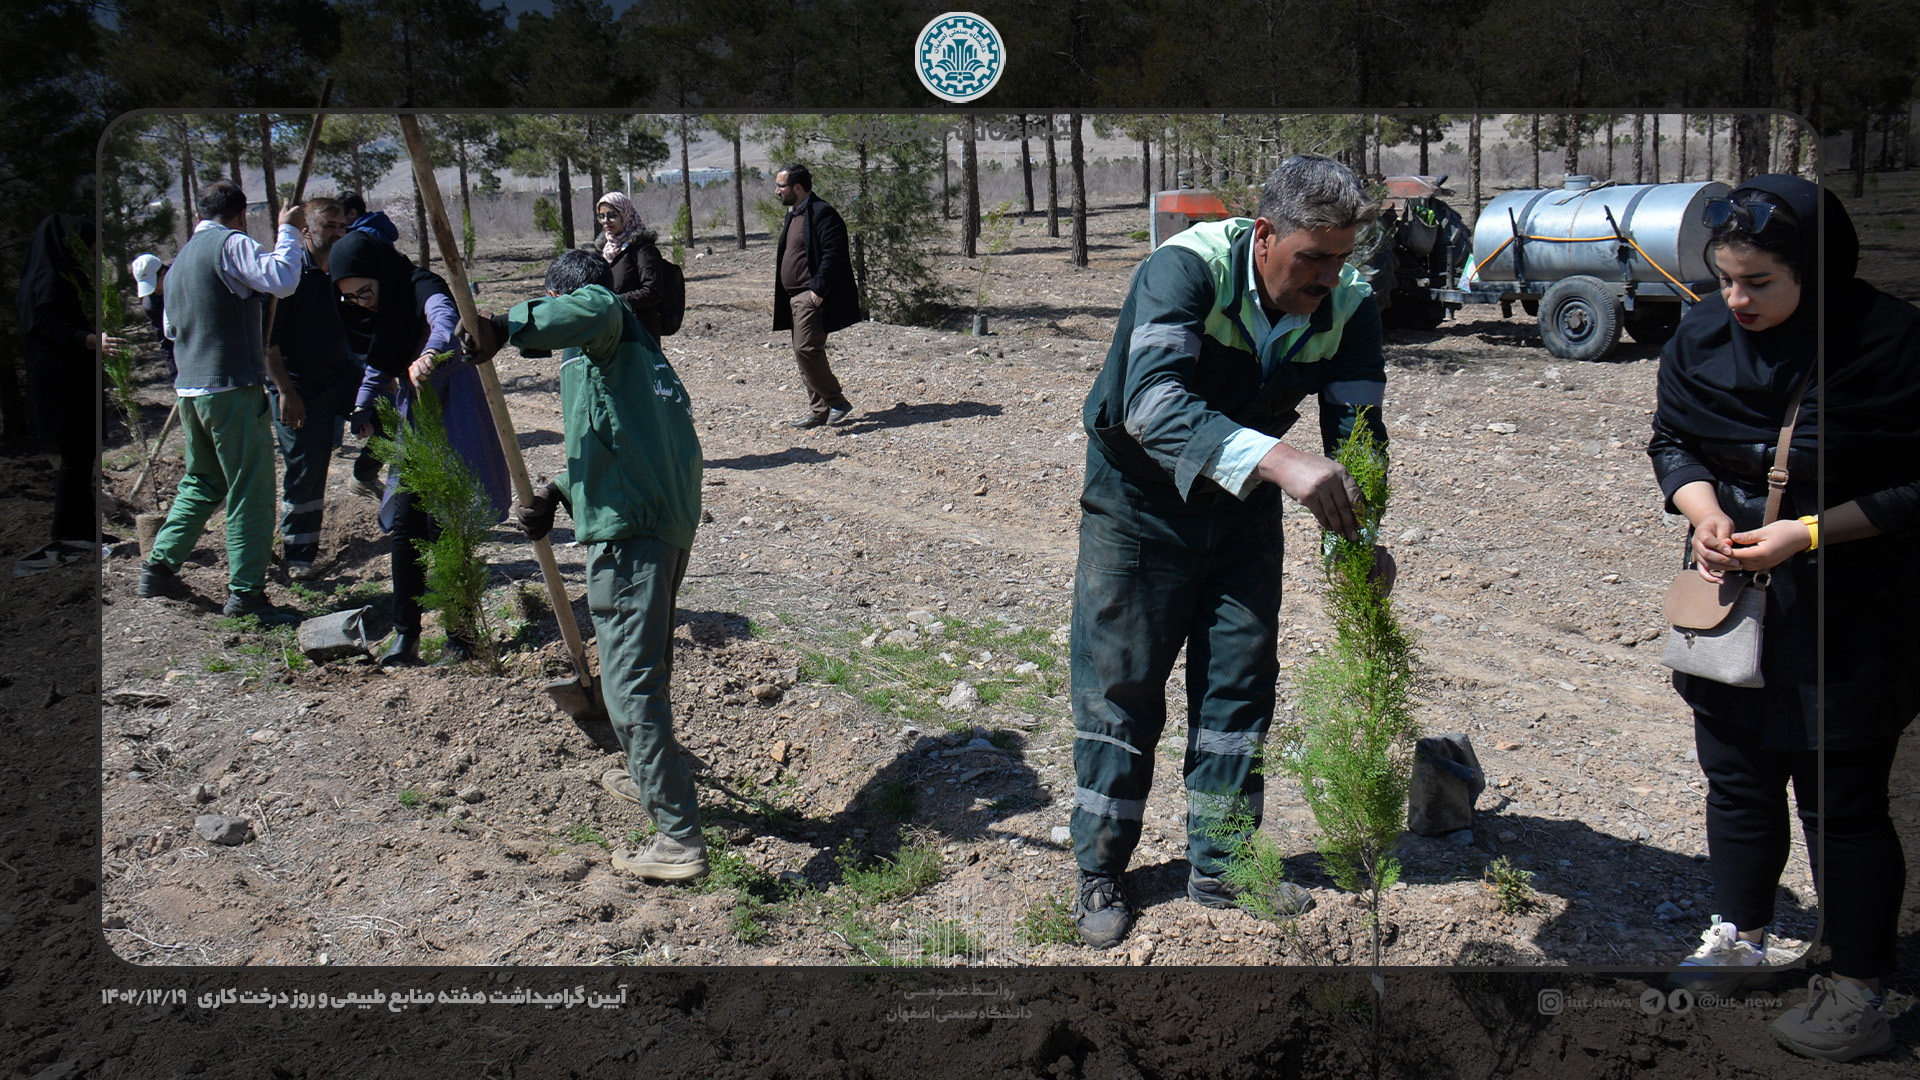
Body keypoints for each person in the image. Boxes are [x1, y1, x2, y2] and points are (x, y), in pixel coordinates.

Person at [1067, 154, 1396, 950]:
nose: (1327, 277)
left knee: (1239, 688)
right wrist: (1282, 460)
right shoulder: (1184, 271)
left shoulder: (1349, 305)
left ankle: (1224, 865)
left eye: (1341, 258)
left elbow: (1356, 437)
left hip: (1243, 509)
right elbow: (1153, 404)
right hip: (1139, 505)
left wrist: (1359, 541)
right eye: (1312, 257)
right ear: (1264, 234)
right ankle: (1101, 868)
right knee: (1122, 687)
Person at [1649, 174, 1918, 1062]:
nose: (1736, 300)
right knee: (1736, 777)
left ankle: (1859, 988)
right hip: (1733, 598)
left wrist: (1806, 532)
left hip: (1852, 608)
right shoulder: (1701, 337)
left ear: (1819, 269)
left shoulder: (1888, 346)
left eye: (1758, 281)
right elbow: (1672, 440)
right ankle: (1741, 937)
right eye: (1725, 278)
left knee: (1841, 802)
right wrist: (1702, 512)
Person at [463, 248, 707, 881]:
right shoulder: (640, 361)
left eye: (554, 309)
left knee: (628, 687)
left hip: (631, 537)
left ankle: (678, 838)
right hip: (662, 525)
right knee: (646, 670)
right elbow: (620, 444)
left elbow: (594, 303)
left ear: (563, 303)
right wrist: (557, 493)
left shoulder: (603, 317)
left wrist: (505, 325)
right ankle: (648, 780)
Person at [331, 230, 511, 666]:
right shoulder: (386, 309)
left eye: (365, 292)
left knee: (444, 525)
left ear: (380, 273)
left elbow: (445, 319)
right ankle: (405, 636)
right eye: (350, 298)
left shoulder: (419, 286)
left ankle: (462, 637)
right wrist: (362, 405)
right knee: (406, 527)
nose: (361, 303)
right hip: (416, 424)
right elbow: (381, 360)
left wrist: (430, 353)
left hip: (454, 415)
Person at [138, 182, 303, 621]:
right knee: (249, 488)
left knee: (203, 481)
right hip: (231, 388)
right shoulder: (231, 244)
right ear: (242, 215)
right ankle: (246, 595)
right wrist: (289, 231)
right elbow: (282, 280)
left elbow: (171, 329)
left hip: (191, 391)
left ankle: (158, 568)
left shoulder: (178, 264)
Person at [13, 215, 126, 577]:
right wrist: (91, 340)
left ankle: (84, 530)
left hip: (73, 380)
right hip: (62, 384)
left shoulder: (58, 276)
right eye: (89, 248)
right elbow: (51, 324)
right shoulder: (50, 278)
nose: (92, 255)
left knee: (81, 458)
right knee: (75, 459)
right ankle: (67, 533)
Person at [264, 195, 359, 581]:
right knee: (307, 469)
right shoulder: (286, 279)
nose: (338, 233)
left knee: (396, 413)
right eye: (329, 226)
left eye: (342, 227)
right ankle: (299, 554)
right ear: (305, 230)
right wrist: (287, 392)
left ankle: (365, 476)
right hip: (299, 388)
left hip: (341, 375)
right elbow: (268, 345)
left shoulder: (341, 270)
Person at [771, 163, 860, 428]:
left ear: (797, 187)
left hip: (810, 297)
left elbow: (834, 253)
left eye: (781, 186)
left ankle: (837, 401)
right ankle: (819, 409)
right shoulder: (793, 214)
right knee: (802, 355)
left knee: (807, 350)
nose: (777, 191)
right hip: (793, 298)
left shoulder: (822, 213)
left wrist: (819, 290)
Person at [596, 192, 675, 340]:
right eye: (602, 216)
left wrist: (615, 300)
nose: (606, 221)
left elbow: (653, 291)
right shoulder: (604, 251)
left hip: (639, 331)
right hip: (610, 329)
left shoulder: (643, 250)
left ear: (625, 215)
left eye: (612, 215)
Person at [131, 252, 175, 379]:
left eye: (154, 284)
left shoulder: (185, 271)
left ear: (163, 273)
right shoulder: (151, 304)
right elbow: (166, 343)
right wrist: (175, 375)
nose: (154, 290)